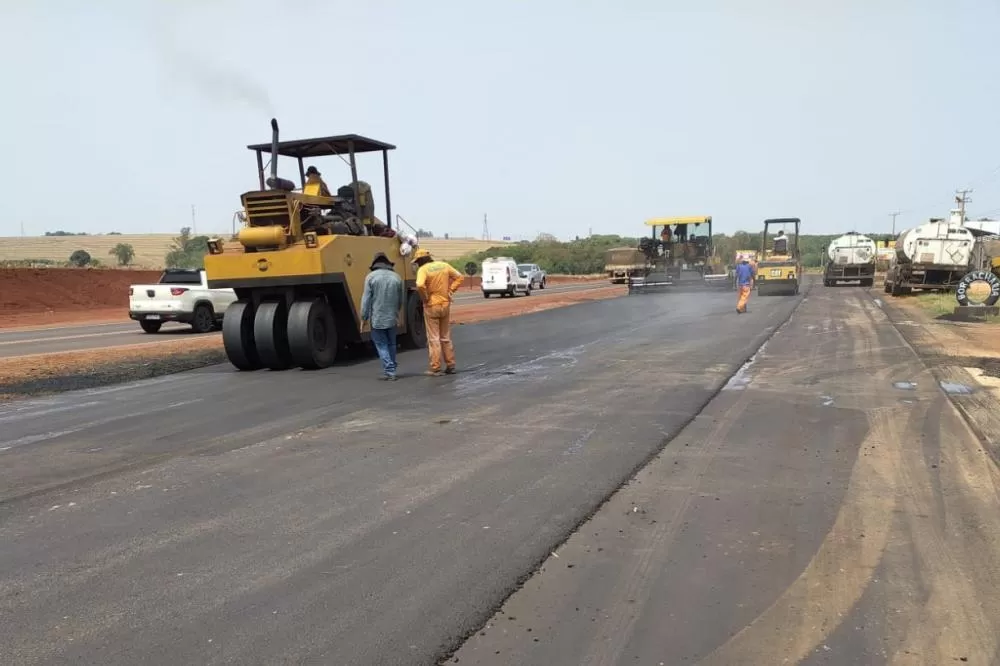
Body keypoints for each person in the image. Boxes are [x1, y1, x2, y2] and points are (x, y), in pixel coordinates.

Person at [412, 248, 464, 376]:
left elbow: (419, 284)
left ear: (419, 261)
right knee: (445, 336)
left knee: (434, 338)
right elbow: (460, 277)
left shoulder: (423, 270)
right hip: (445, 304)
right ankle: (450, 365)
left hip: (431, 306)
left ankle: (435, 367)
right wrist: (451, 290)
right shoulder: (444, 265)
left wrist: (425, 298)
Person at [360, 251, 404, 380]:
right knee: (392, 344)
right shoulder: (397, 277)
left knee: (382, 345)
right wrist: (397, 314)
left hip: (377, 319)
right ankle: (392, 368)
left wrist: (364, 318)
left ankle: (390, 371)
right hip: (392, 318)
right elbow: (400, 300)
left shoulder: (371, 277)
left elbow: (366, 300)